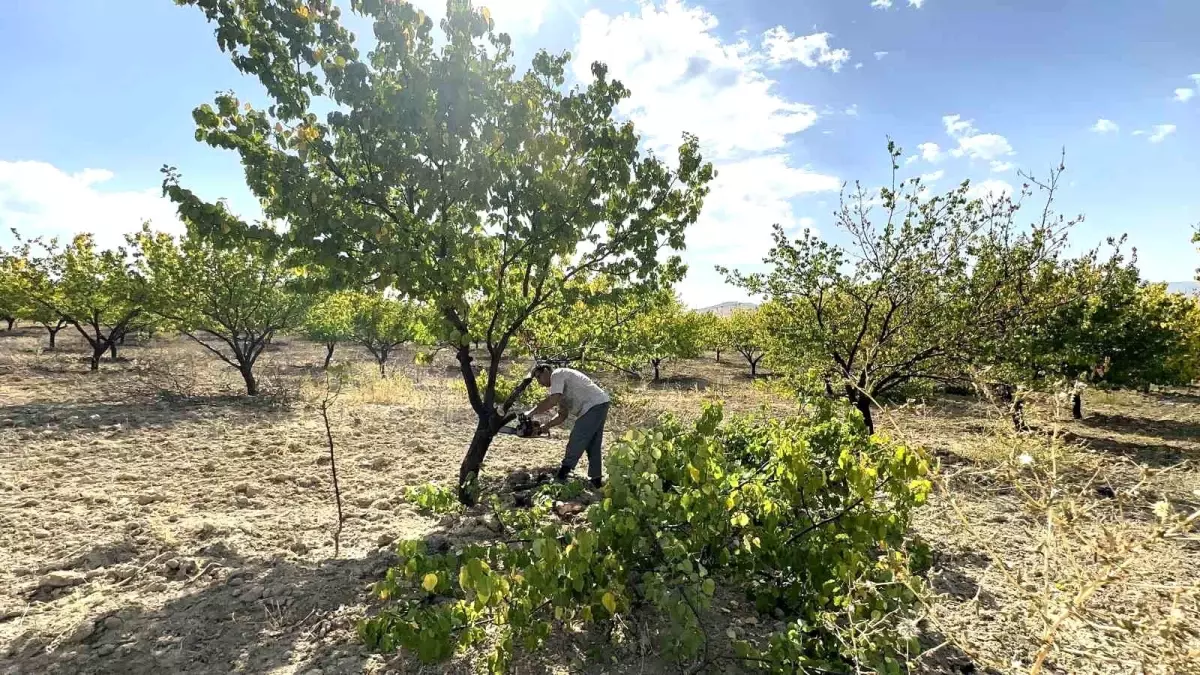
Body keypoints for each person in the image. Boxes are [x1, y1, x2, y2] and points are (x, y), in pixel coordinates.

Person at [526, 363, 611, 487]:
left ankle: (563, 473)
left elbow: (552, 400)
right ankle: (596, 480)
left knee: (577, 437)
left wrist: (531, 412)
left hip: (593, 405)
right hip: (600, 403)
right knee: (593, 444)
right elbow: (562, 415)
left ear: (545, 371)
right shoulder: (558, 389)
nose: (539, 382)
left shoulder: (557, 374)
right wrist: (546, 426)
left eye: (538, 377)